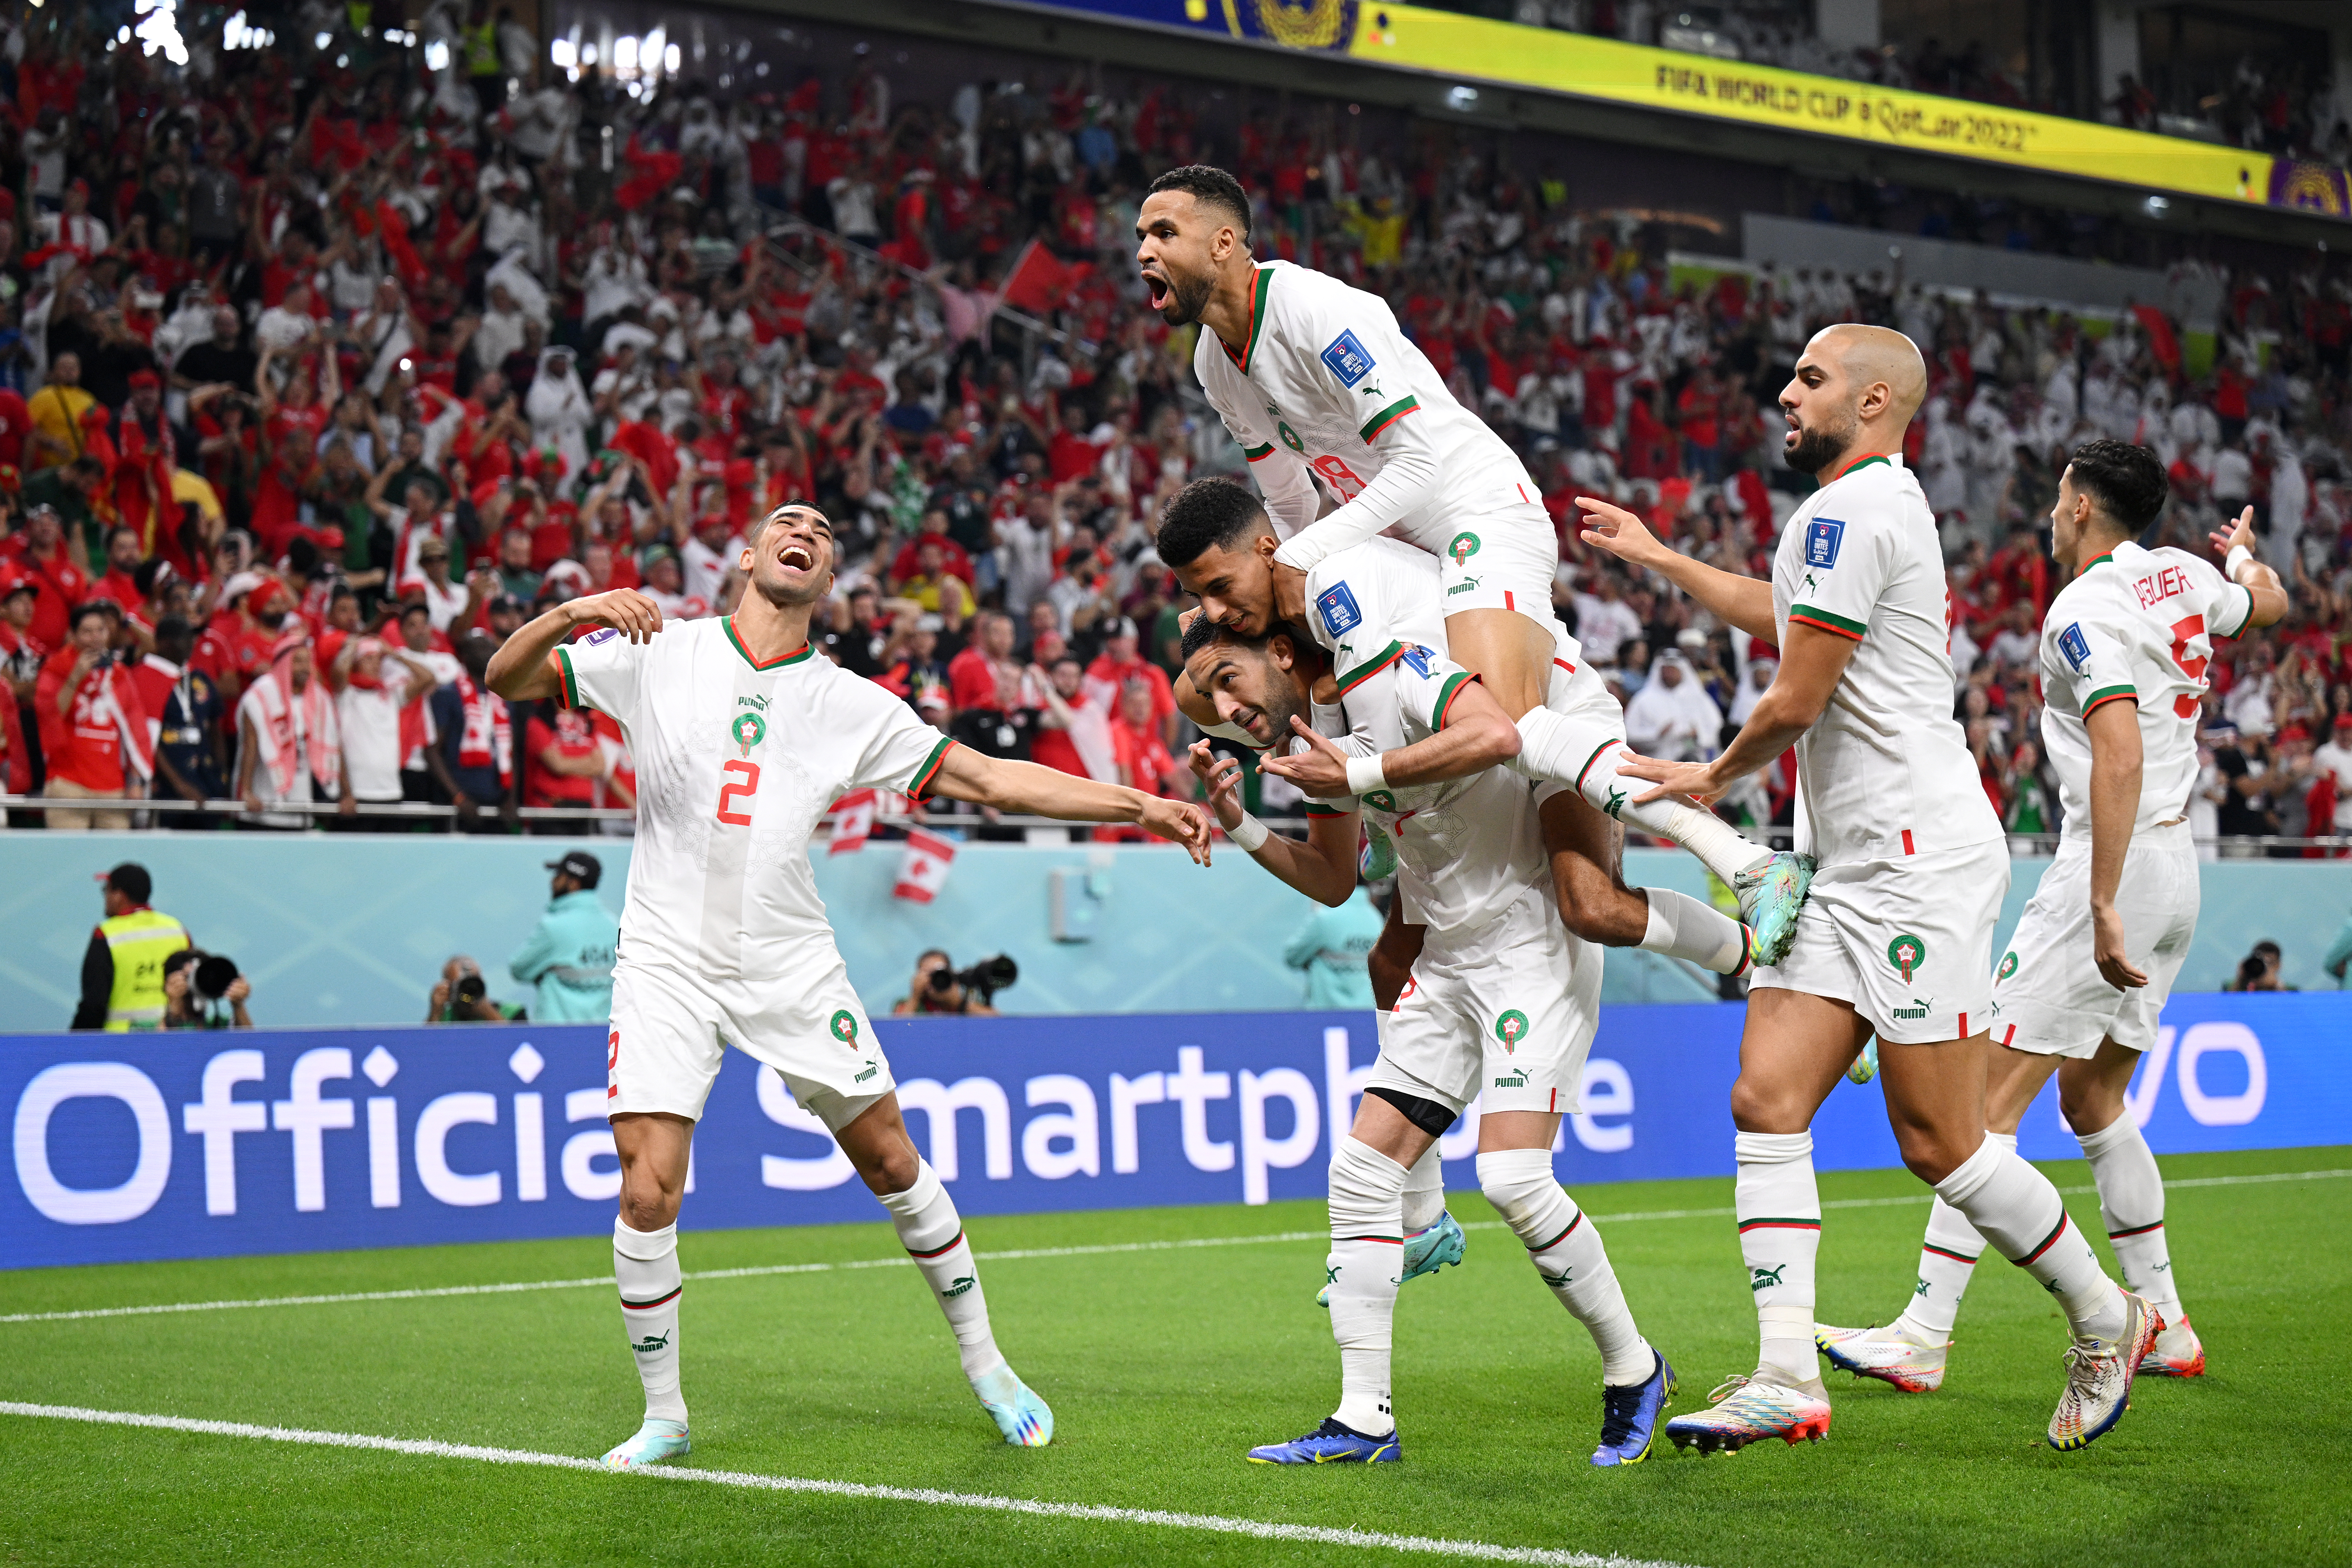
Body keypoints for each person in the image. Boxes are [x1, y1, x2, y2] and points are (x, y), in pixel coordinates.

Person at [484, 501, 1210, 1470]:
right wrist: (577, 610)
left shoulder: (852, 702)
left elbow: (991, 781)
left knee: (890, 1159)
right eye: (788, 522)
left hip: (787, 958)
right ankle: (665, 1414)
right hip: (664, 958)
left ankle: (989, 1364)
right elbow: (506, 677)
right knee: (647, 1185)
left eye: (824, 534)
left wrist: (1142, 804)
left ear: (827, 582)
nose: (807, 530)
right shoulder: (662, 648)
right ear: (747, 556)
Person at [1580, 324, 2155, 1455]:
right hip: (1847, 865)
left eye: (1807, 378)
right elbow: (1782, 614)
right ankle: (1786, 1372)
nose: (1783, 394)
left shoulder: (1852, 512)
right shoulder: (1858, 510)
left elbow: (1794, 697)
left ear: (1876, 396)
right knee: (1765, 1097)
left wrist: (1704, 780)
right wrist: (1662, 560)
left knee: (1940, 1140)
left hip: (1914, 863)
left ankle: (2106, 1316)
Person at [1821, 441, 2285, 1392]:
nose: (2049, 510)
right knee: (2094, 1101)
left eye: (2057, 495)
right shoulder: (2187, 576)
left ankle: (1923, 1331)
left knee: (1980, 1106)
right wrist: (2242, 557)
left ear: (2080, 506)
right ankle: (2168, 1323)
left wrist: (2102, 899)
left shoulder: (2083, 609)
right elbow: (2269, 604)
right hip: (2177, 867)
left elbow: (2117, 752)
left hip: (2105, 870)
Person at [1178, 616, 1673, 1467]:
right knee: (1362, 1168)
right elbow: (1334, 880)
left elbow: (1496, 731)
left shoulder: (1401, 666)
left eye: (1227, 679)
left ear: (1281, 650)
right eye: (1209, 707)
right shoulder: (1314, 746)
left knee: (1516, 1177)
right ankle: (1363, 1417)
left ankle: (1635, 1367)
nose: (1227, 708)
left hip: (1530, 946)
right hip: (1447, 959)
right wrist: (1239, 821)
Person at [1156, 479, 1795, 991]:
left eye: (1218, 589)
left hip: (1541, 707)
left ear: (1268, 554)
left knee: (1592, 905)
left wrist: (1361, 794)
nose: (1212, 610)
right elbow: (1330, 875)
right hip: (1464, 758)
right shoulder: (1290, 660)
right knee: (1388, 965)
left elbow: (1393, 750)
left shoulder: (1328, 587)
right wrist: (1240, 817)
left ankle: (1754, 897)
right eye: (1197, 597)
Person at [38, 601, 151, 829]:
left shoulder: (120, 675)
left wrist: (136, 781)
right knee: (68, 861)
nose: (96, 637)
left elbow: (136, 730)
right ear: (72, 635)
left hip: (112, 788)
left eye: (100, 630)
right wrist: (76, 676)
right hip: (68, 784)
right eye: (87, 632)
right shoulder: (55, 668)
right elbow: (50, 716)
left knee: (114, 861)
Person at [70, 863, 191, 1030]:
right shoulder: (177, 930)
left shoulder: (106, 933)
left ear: (119, 896)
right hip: (173, 1038)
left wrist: (75, 1044)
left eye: (107, 890)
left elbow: (94, 1003)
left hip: (121, 1043)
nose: (105, 896)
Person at [507, 850, 622, 1022]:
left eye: (558, 875)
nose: (552, 881)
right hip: (603, 1032)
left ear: (573, 883)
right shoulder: (614, 925)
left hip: (557, 1035)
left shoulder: (553, 927)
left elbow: (518, 969)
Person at [1282, 885, 1386, 1010]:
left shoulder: (1324, 919)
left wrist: (1315, 917)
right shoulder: (1377, 920)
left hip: (1326, 1015)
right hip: (1367, 1014)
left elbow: (1292, 957)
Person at [161, 948, 254, 1028]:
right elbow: (156, 1045)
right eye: (187, 978)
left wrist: (238, 1005)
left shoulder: (218, 1025)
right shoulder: (152, 1026)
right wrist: (173, 1011)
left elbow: (249, 1043)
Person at [890, 949, 1001, 1017]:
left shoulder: (969, 1001)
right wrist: (915, 997)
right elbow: (897, 1031)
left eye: (940, 973)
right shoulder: (909, 1004)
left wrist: (959, 1003)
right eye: (930, 974)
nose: (937, 979)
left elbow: (999, 1024)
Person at [426, 954, 526, 1022]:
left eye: (473, 981)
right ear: (448, 987)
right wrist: (435, 1013)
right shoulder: (443, 1021)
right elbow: (425, 1047)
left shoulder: (512, 1012)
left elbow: (520, 1047)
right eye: (460, 984)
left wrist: (487, 1011)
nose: (467, 991)